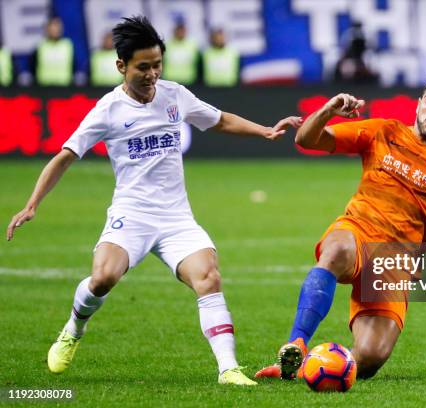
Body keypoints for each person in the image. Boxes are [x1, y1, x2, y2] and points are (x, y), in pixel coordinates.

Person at [6, 16, 301, 386]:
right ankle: (72, 330)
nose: (152, 74)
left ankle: (228, 369)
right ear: (121, 66)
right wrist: (32, 204)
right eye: (143, 67)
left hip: (176, 217)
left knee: (208, 278)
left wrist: (264, 130)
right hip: (132, 215)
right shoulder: (108, 110)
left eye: (157, 65)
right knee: (103, 278)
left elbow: (219, 119)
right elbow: (66, 155)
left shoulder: (174, 94)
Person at [256, 77, 426, 381]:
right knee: (336, 250)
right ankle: (296, 341)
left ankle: (306, 367)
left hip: (394, 262)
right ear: (418, 103)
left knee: (370, 358)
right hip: (358, 229)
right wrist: (328, 110)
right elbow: (306, 140)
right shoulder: (382, 132)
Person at [35, 16, 74, 86]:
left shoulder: (67, 45)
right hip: (44, 86)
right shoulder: (41, 45)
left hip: (64, 86)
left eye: (57, 28)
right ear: (47, 30)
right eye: (52, 28)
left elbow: (74, 64)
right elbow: (34, 64)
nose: (54, 31)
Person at [163, 20, 199, 85]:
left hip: (189, 81)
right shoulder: (167, 45)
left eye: (182, 30)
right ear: (174, 31)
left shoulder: (193, 45)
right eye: (178, 30)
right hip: (170, 80)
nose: (180, 33)